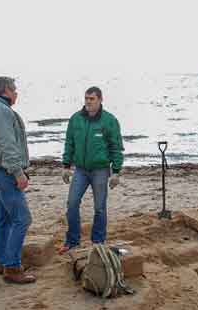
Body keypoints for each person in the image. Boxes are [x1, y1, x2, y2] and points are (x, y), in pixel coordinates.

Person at [0, 76, 35, 284]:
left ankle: (3, 262)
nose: (16, 93)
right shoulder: (0, 111)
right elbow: (5, 145)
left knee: (4, 219)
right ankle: (12, 266)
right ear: (5, 91)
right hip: (2, 172)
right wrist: (18, 172)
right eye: (14, 89)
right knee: (22, 218)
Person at [59, 86, 124, 254]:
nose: (88, 102)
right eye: (86, 98)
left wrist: (116, 172)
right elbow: (69, 143)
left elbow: (116, 147)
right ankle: (72, 241)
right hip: (80, 170)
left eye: (92, 99)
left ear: (100, 100)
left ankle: (98, 241)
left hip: (100, 170)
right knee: (72, 203)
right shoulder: (76, 119)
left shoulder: (109, 121)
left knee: (100, 207)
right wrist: (66, 166)